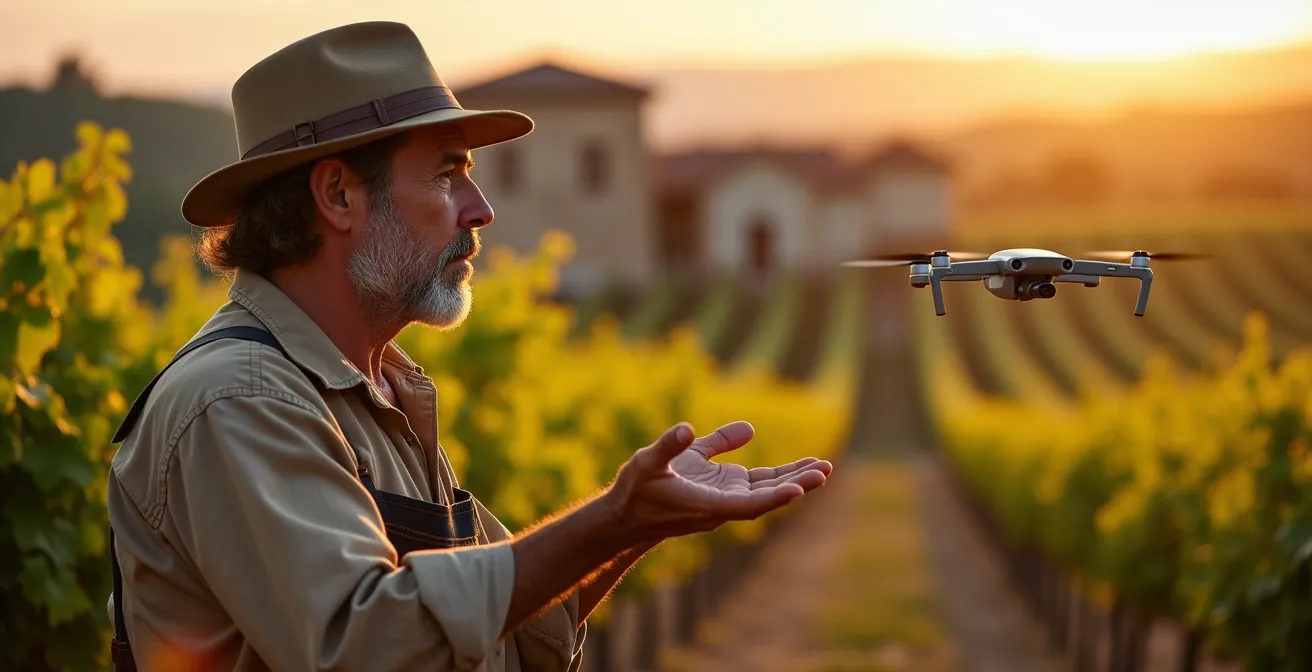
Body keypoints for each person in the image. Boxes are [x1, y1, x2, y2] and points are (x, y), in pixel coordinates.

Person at [105, 20, 833, 672]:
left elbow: (510, 629)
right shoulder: (242, 401)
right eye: (447, 173)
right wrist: (615, 517)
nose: (480, 210)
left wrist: (633, 528)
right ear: (338, 196)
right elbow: (366, 650)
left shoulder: (374, 389)